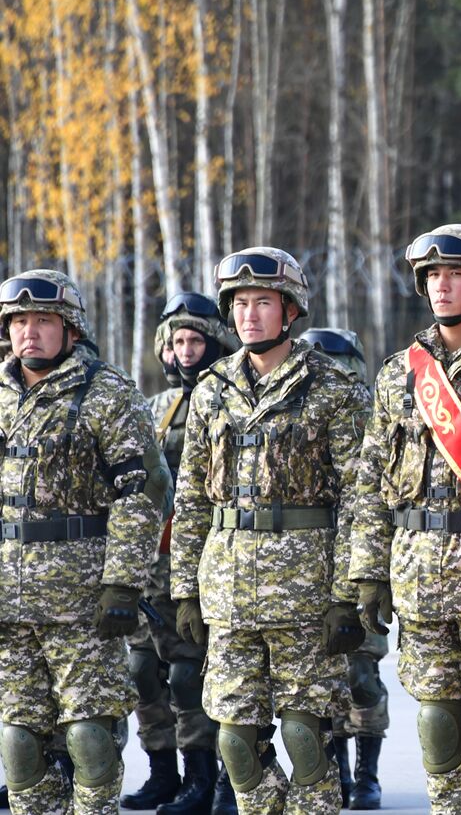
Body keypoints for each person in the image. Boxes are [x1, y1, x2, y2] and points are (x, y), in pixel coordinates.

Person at [170, 247, 370, 815]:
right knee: (236, 744)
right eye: (238, 304)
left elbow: (360, 497)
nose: (248, 315)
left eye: (262, 302)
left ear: (290, 310)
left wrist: (346, 596)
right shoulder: (211, 390)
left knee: (307, 741)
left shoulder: (332, 388)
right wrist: (185, 587)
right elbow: (190, 499)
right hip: (229, 595)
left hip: (307, 597)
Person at [348, 225, 461, 813]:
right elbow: (372, 482)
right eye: (432, 277)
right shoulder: (401, 372)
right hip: (417, 575)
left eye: (454, 275)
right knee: (436, 726)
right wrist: (369, 572)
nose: (441, 287)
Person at [0, 270, 167, 813]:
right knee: (20, 743)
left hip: (83, 602)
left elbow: (141, 496)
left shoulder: (108, 393)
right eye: (19, 321)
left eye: (42, 321)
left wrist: (122, 585)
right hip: (10, 602)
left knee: (90, 739)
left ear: (69, 328)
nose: (29, 333)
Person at [124, 293, 238, 815]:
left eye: (195, 341)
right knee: (143, 671)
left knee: (191, 674)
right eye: (177, 342)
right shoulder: (153, 407)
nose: (185, 351)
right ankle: (162, 772)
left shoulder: (225, 398)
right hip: (150, 565)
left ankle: (206, 777)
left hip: (198, 563)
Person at [300, 327, 387, 810]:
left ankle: (367, 773)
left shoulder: (370, 416)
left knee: (363, 677)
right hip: (307, 571)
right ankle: (335, 775)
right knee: (320, 682)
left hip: (360, 560)